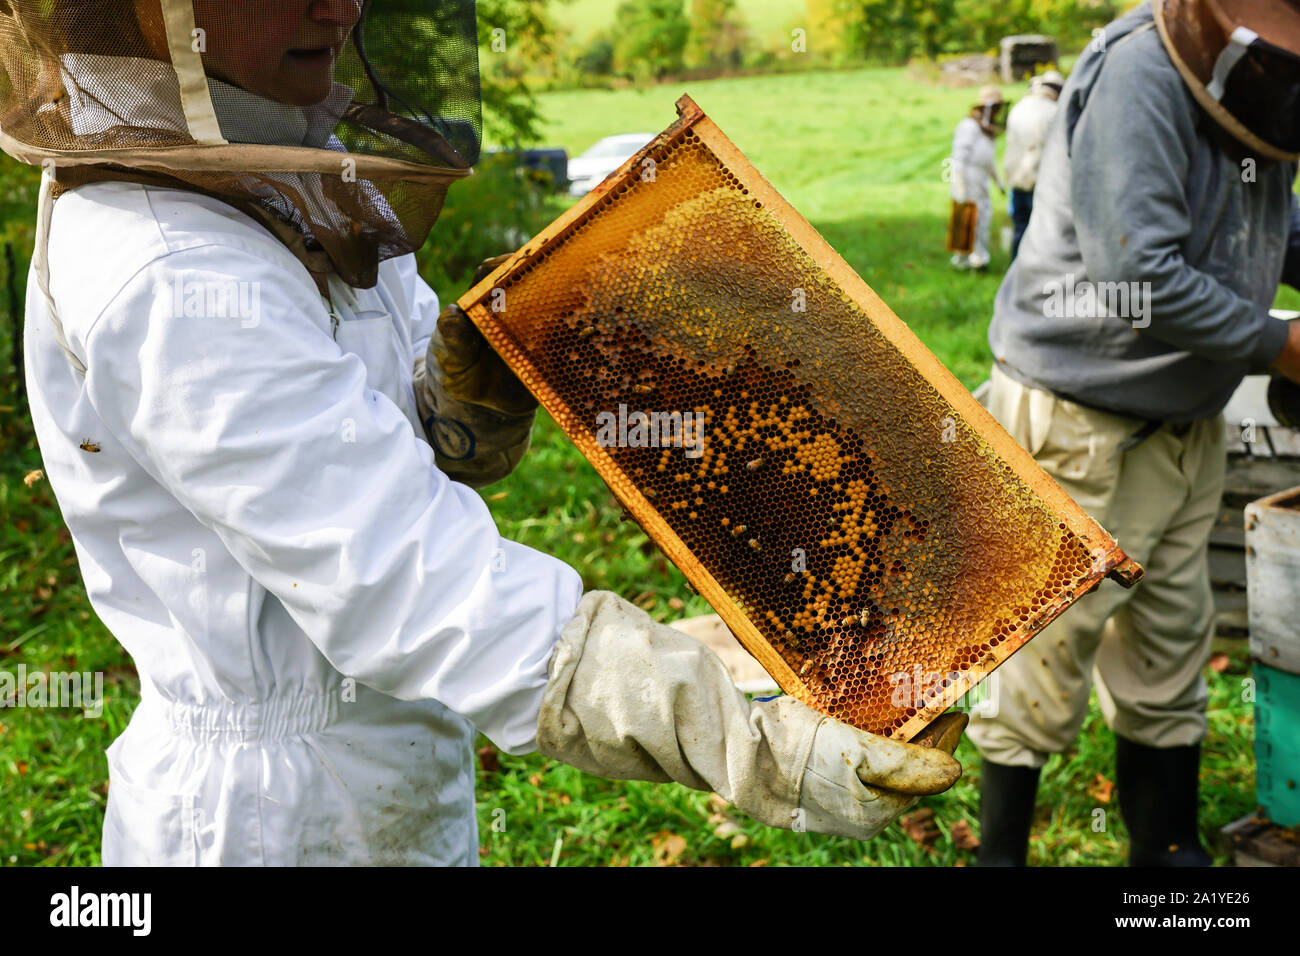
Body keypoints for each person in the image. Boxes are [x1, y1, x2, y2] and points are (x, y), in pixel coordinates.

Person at [5, 0, 963, 866]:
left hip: (385, 757)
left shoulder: (290, 182)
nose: (340, 6)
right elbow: (416, 589)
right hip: (268, 819)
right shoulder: (166, 266)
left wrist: (462, 392)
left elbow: (386, 449)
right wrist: (755, 740)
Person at [970, 0, 1300, 867]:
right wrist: (1289, 345)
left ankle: (1166, 864)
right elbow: (1137, 277)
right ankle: (999, 858)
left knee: (1170, 641)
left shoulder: (1258, 84)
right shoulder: (1140, 75)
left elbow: (1267, 222)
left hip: (1184, 423)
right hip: (1081, 421)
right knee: (1040, 660)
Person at [1003, 70, 1065, 260]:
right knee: (1044, 234)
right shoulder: (1053, 112)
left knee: (1020, 228)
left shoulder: (1018, 108)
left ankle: (1016, 272)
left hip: (1016, 180)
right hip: (1042, 183)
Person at [949, 85, 1008, 272]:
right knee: (968, 220)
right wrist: (960, 186)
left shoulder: (985, 131)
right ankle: (969, 261)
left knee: (982, 218)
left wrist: (998, 182)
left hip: (981, 179)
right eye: (996, 107)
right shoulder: (968, 127)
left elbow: (987, 160)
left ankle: (977, 259)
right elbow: (959, 158)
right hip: (968, 178)